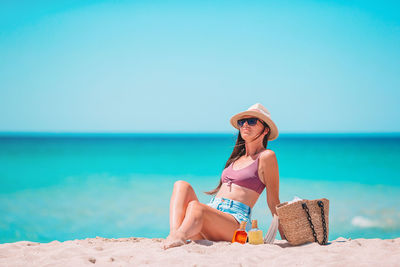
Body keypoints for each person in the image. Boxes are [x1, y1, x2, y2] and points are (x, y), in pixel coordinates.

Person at [162, 103, 285, 249]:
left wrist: (285, 236)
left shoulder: (266, 156)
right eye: (242, 122)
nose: (245, 125)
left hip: (235, 223)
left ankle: (180, 236)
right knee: (181, 185)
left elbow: (273, 201)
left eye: (251, 121)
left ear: (265, 130)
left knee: (196, 207)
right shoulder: (237, 159)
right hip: (212, 218)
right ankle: (175, 234)